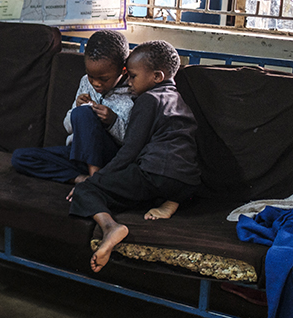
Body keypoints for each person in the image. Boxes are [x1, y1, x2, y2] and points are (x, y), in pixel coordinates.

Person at [68, 40, 200, 273]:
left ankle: (110, 228)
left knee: (86, 190)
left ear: (157, 76)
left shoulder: (148, 100)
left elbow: (130, 150)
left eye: (134, 76)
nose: (129, 82)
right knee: (157, 182)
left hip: (153, 173)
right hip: (186, 182)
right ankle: (170, 202)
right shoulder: (176, 98)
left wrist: (97, 179)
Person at [12, 30, 132, 183]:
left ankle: (95, 180)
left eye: (103, 79)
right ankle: (82, 179)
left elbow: (131, 143)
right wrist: (76, 108)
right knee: (20, 158)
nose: (95, 83)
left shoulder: (131, 94)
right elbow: (68, 127)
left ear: (123, 71)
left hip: (107, 159)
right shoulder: (85, 82)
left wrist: (113, 121)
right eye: (90, 75)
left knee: (84, 113)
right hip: (78, 154)